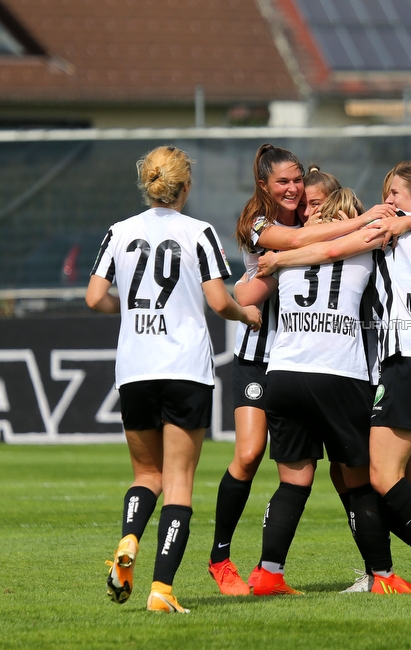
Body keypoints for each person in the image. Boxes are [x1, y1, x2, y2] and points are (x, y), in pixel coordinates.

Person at [259, 161, 411, 595]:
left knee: (381, 477)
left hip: (405, 360)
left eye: (395, 193)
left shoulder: (398, 226)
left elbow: (326, 252)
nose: (388, 201)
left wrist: (279, 259)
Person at [208, 147, 393, 596]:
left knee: (327, 472)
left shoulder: (311, 224)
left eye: (299, 184)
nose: (294, 192)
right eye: (284, 184)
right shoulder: (260, 223)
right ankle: (220, 557)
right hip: (260, 353)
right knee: (250, 455)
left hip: (297, 358)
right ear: (264, 186)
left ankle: (360, 570)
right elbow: (259, 279)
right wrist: (364, 221)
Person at [87, 145, 262, 613]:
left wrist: (131, 310)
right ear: (186, 187)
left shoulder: (118, 232)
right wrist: (247, 315)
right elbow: (219, 302)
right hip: (185, 367)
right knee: (179, 480)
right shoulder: (199, 232)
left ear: (147, 183)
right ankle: (161, 590)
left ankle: (128, 540)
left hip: (136, 367)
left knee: (147, 474)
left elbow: (93, 297)